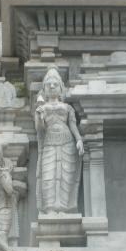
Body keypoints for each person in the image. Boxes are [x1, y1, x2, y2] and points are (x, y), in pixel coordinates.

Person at [35, 67, 83, 214]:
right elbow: (40, 129)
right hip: (49, 143)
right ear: (44, 88)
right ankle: (50, 208)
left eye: (55, 84)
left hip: (67, 143)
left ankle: (63, 208)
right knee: (49, 175)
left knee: (65, 175)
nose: (52, 86)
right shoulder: (42, 108)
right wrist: (39, 117)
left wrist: (79, 139)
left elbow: (73, 125)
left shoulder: (67, 107)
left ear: (61, 87)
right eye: (48, 84)